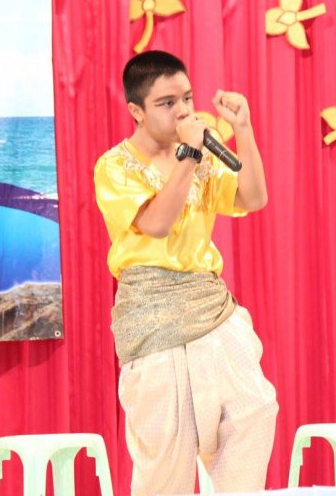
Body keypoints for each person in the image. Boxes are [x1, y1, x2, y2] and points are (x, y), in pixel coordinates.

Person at [94, 50, 278, 495]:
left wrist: (243, 130)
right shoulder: (114, 166)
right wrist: (189, 155)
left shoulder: (200, 157)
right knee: (167, 461)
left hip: (213, 310)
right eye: (167, 103)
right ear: (136, 110)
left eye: (187, 98)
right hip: (154, 320)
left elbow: (254, 198)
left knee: (254, 413)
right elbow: (157, 223)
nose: (182, 111)